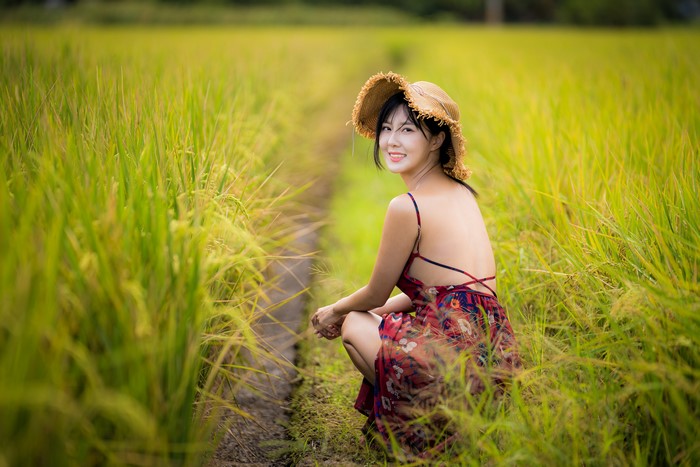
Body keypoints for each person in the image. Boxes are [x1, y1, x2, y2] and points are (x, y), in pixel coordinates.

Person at [311, 72, 521, 457]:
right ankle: (456, 424)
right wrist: (377, 307)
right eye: (387, 128)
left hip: (454, 362)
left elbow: (376, 291)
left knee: (357, 324)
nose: (392, 140)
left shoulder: (406, 208)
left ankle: (427, 430)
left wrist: (335, 311)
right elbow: (447, 291)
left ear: (438, 138)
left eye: (407, 129)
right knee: (370, 316)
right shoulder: (464, 195)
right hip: (495, 356)